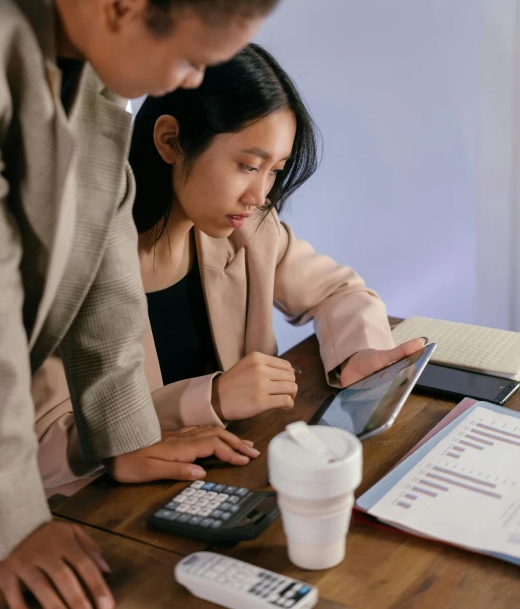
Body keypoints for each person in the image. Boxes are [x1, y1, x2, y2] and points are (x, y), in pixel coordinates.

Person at [0, 0, 315, 606]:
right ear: (123, 7)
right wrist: (11, 520)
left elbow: (104, 235)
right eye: (194, 59)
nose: (198, 78)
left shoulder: (81, 14)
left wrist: (125, 434)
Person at [34, 44, 424, 492]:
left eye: (274, 171)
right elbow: (42, 452)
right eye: (247, 166)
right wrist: (210, 398)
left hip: (235, 477)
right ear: (170, 141)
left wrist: (358, 355)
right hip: (107, 512)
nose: (258, 195)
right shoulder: (79, 258)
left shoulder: (251, 230)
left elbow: (339, 291)